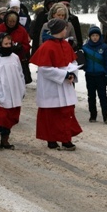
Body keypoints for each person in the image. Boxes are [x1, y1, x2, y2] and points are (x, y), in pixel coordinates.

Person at [30, 18, 82, 151]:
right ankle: (51, 139)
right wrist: (63, 74)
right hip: (51, 87)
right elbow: (44, 69)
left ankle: (66, 139)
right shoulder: (47, 46)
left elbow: (73, 62)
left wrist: (72, 74)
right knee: (51, 114)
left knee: (66, 113)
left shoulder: (66, 45)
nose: (66, 30)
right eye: (64, 28)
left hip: (65, 84)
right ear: (59, 30)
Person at [0, 32, 26, 150]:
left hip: (15, 92)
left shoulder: (15, 57)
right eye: (5, 44)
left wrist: (22, 89)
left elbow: (20, 75)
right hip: (2, 93)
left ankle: (5, 139)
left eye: (9, 43)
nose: (8, 46)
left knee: (12, 117)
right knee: (2, 118)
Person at [82, 26, 107, 123]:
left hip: (101, 75)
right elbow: (82, 61)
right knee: (91, 96)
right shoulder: (85, 48)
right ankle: (93, 115)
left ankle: (106, 115)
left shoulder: (104, 47)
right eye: (93, 35)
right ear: (90, 37)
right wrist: (84, 67)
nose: (95, 37)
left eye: (97, 35)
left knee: (103, 96)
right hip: (90, 75)